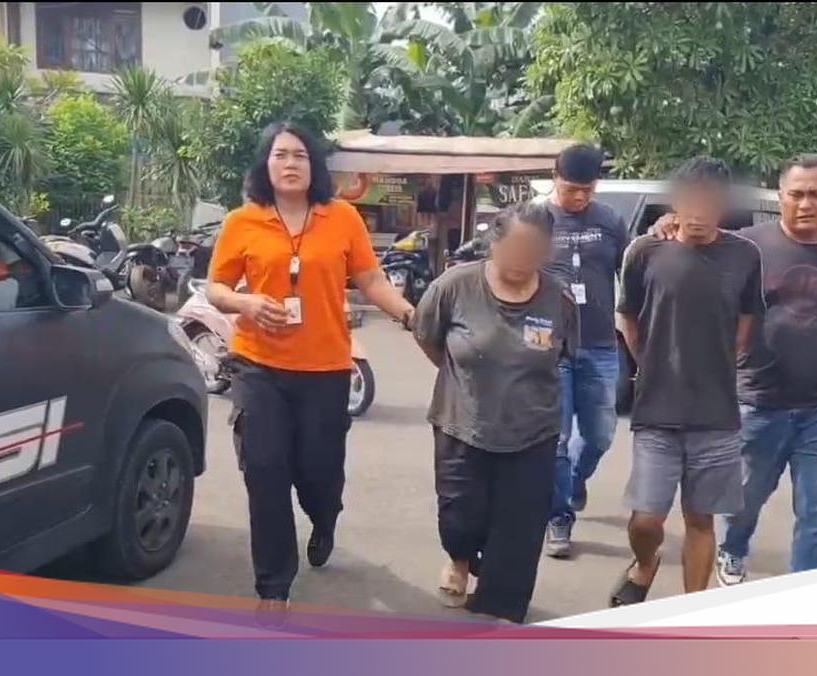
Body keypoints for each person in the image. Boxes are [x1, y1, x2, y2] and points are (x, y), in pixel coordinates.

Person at [206, 121, 416, 625]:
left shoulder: (341, 217)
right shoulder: (242, 221)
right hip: (258, 366)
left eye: (300, 155)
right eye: (280, 155)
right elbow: (216, 287)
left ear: (314, 165)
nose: (290, 163)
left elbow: (370, 277)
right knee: (264, 471)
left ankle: (324, 519)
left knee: (319, 473)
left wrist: (410, 314)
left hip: (325, 369)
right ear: (266, 165)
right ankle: (273, 586)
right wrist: (245, 303)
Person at [654, 154, 817, 584]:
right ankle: (733, 548)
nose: (805, 203)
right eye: (796, 194)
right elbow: (690, 240)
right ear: (780, 197)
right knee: (744, 500)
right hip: (756, 401)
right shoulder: (744, 248)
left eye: (816, 194)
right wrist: (668, 224)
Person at [413, 201, 579, 624]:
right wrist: (464, 378)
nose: (524, 258)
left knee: (520, 529)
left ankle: (500, 613)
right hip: (462, 423)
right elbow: (428, 336)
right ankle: (461, 558)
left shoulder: (558, 298)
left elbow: (564, 355)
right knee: (459, 518)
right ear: (494, 243)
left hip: (533, 430)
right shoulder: (455, 286)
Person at [609, 157, 763, 606]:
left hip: (716, 414)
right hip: (656, 409)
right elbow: (629, 316)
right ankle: (644, 562)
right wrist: (650, 363)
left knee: (700, 520)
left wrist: (720, 362)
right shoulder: (645, 251)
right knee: (646, 519)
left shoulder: (744, 255)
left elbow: (747, 318)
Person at [542, 143, 629, 558]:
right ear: (554, 178)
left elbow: (633, 272)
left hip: (600, 344)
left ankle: (575, 481)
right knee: (555, 440)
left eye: (587, 189)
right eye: (571, 188)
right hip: (550, 348)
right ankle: (558, 516)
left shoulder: (610, 221)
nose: (579, 197)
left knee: (599, 435)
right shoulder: (536, 221)